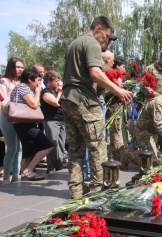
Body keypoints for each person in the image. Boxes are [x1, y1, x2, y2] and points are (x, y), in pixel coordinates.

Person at [61, 16, 132, 199]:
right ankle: (98, 191)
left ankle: (76, 191)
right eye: (106, 36)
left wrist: (122, 76)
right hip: (85, 100)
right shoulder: (92, 43)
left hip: (68, 99)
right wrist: (117, 90)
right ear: (98, 27)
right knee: (97, 146)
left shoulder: (75, 43)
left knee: (75, 149)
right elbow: (95, 72)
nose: (106, 41)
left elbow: (101, 69)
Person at [11, 69, 54, 181]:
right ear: (30, 79)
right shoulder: (23, 87)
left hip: (25, 123)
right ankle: (29, 170)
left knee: (28, 151)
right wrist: (38, 92)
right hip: (24, 123)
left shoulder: (26, 88)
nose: (39, 83)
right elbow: (34, 104)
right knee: (48, 145)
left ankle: (24, 176)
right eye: (38, 80)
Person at [0, 57, 24, 184]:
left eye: (22, 67)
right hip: (7, 117)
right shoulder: (4, 81)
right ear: (11, 67)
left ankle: (16, 175)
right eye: (17, 67)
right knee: (11, 148)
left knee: (20, 148)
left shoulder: (21, 83)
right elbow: (4, 100)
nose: (20, 69)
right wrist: (12, 110)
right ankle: (6, 178)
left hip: (19, 118)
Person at [40, 70, 65, 173]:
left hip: (62, 120)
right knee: (52, 143)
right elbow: (55, 103)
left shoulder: (58, 91)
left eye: (59, 81)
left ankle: (59, 164)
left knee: (61, 143)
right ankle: (51, 167)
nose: (58, 83)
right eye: (56, 81)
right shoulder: (45, 92)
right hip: (51, 120)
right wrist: (59, 93)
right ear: (49, 81)